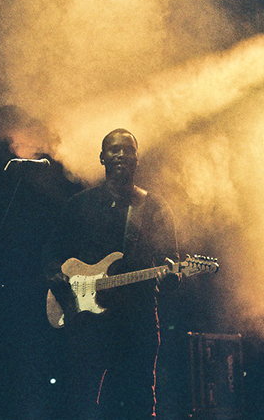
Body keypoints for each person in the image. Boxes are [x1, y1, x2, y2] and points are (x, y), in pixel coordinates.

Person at [44, 129, 179, 420]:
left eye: (127, 150)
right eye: (113, 150)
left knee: (140, 396)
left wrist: (171, 277)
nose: (120, 155)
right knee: (84, 397)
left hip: (138, 317)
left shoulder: (154, 206)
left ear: (136, 159)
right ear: (102, 158)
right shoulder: (80, 204)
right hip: (88, 322)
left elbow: (172, 261)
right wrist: (56, 275)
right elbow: (52, 252)